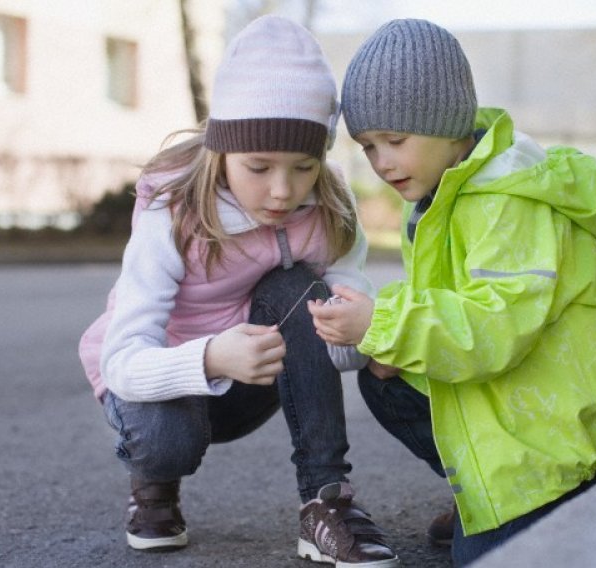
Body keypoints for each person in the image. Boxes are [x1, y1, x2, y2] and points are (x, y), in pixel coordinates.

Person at [308, 18, 596, 567]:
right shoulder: (436, 194)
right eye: (367, 146)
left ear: (449, 125)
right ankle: (490, 489)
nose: (381, 163)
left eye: (395, 141)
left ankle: (584, 482)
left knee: (487, 558)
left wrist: (383, 323)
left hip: (548, 421)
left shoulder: (506, 201)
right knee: (385, 377)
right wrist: (381, 335)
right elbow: (453, 310)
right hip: (505, 394)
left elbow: (493, 329)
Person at [78, 15, 400, 567]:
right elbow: (122, 363)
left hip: (254, 378)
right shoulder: (173, 213)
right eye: (259, 166)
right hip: (158, 384)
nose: (282, 190)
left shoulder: (328, 210)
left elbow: (335, 351)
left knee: (299, 284)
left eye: (303, 166)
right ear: (222, 151)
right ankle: (154, 484)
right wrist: (210, 356)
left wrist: (366, 335)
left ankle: (326, 500)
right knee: (168, 440)